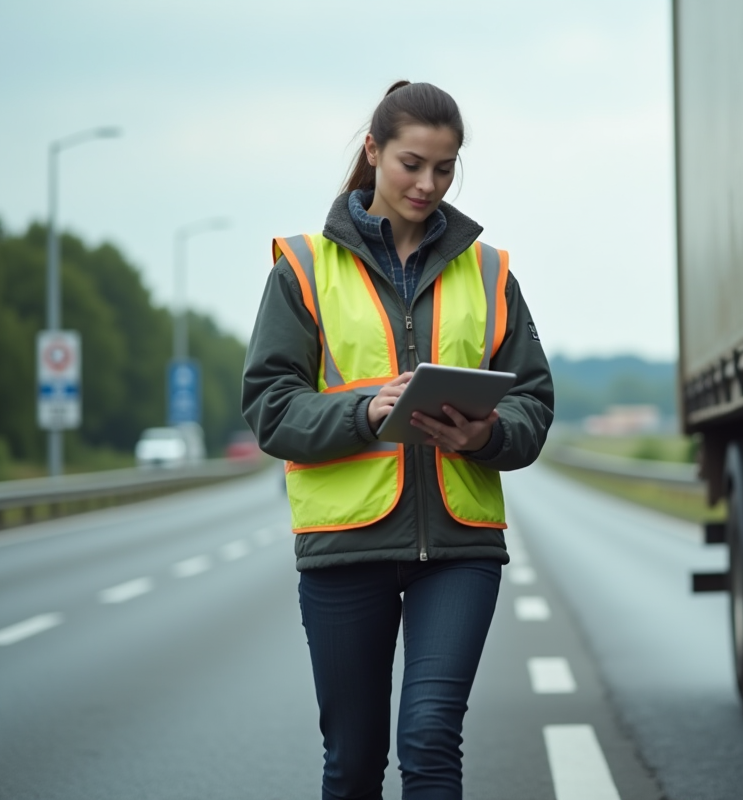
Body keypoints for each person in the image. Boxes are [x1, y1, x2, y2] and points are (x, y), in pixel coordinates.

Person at [241, 80, 554, 800]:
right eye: (413, 163)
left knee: (430, 738)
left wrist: (485, 433)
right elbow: (269, 407)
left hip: (460, 547)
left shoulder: (490, 271)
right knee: (353, 762)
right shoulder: (303, 268)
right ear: (374, 152)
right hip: (345, 546)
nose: (428, 183)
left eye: (445, 168)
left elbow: (534, 405)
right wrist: (362, 413)